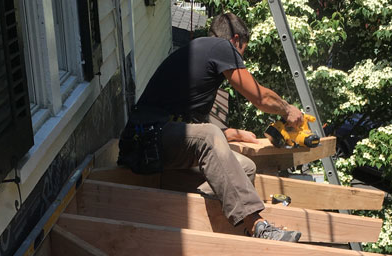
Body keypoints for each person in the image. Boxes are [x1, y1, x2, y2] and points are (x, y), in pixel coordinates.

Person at [118, 13, 305, 241]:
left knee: (245, 167)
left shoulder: (202, 60)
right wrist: (287, 109)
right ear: (235, 40)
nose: (239, 61)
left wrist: (230, 133)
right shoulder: (221, 47)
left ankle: (190, 215)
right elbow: (259, 97)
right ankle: (258, 226)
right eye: (241, 53)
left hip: (159, 146)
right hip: (143, 140)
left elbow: (190, 129)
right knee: (209, 135)